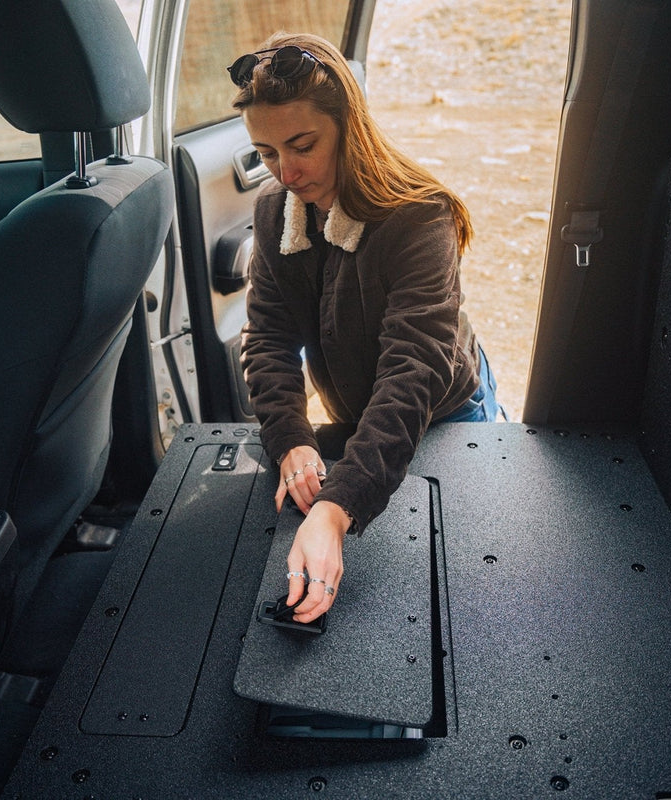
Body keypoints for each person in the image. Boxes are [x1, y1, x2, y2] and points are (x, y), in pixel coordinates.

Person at [230, 32, 501, 625]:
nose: (286, 172)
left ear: (349, 126)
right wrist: (292, 439)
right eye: (266, 153)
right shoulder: (274, 212)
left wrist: (336, 508)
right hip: (359, 413)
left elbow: (413, 371)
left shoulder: (420, 217)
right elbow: (269, 338)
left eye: (303, 146)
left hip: (445, 411)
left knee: (461, 586)